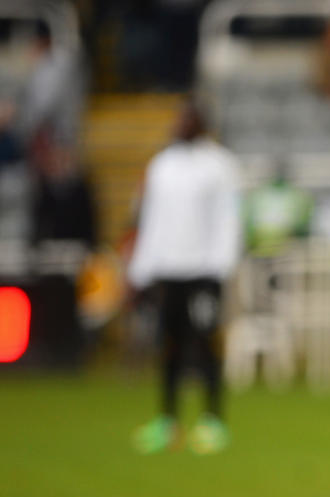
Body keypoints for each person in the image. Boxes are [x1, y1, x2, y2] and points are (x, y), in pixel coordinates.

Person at [127, 99, 241, 455]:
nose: (182, 124)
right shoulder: (162, 165)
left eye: (189, 119)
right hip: (169, 270)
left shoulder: (220, 165)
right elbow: (152, 220)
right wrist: (141, 269)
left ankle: (212, 420)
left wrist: (222, 264)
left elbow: (228, 217)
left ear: (202, 123)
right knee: (170, 345)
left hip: (204, 270)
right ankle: (168, 422)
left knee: (205, 343)